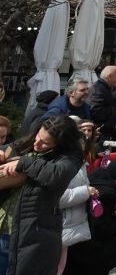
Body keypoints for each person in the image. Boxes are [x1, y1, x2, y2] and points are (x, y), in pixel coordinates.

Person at [0, 114, 85, 275]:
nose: (37, 143)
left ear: (61, 145)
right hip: (4, 224)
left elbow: (55, 174)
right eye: (38, 136)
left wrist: (23, 163)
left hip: (30, 231)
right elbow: (8, 148)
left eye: (45, 143)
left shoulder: (70, 159)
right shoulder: (29, 142)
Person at [63, 158, 116, 275]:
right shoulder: (107, 193)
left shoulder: (98, 176)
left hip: (72, 238)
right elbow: (102, 229)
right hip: (82, 244)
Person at [58, 121, 93, 275]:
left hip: (70, 227)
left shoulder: (81, 163)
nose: (82, 146)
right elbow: (58, 197)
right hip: (60, 226)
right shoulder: (62, 165)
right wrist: (86, 192)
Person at [86, 66, 116, 142]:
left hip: (105, 132)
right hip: (100, 133)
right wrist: (115, 111)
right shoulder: (98, 89)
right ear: (110, 76)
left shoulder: (104, 87)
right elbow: (95, 111)